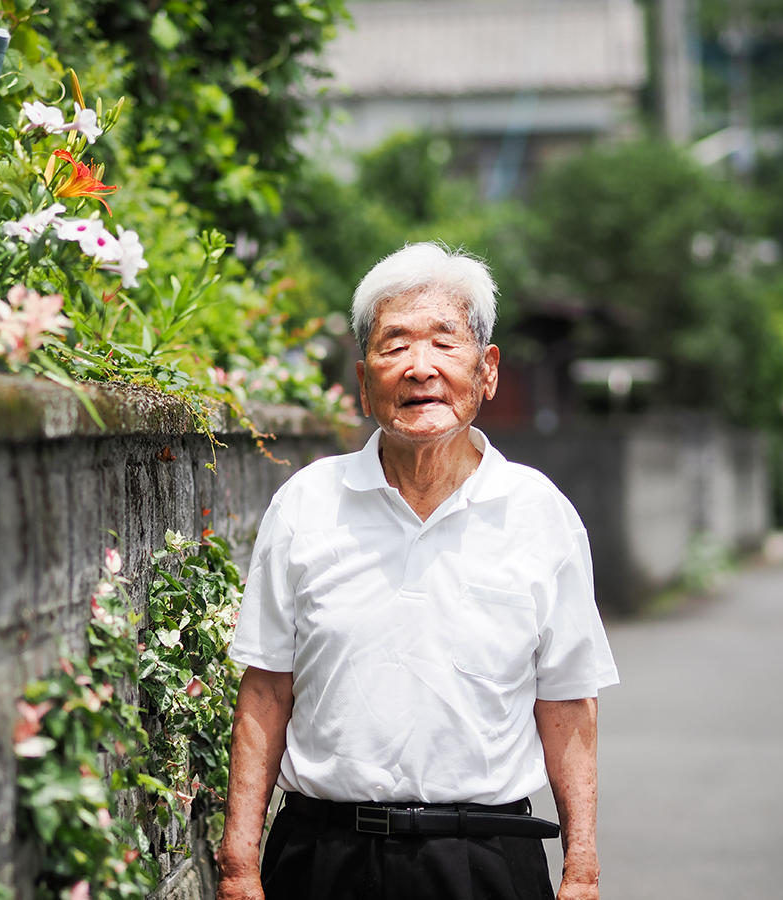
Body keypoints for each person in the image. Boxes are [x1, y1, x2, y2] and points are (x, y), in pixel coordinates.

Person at [217, 243, 619, 900]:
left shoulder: (540, 514)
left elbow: (568, 701)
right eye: (394, 344)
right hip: (321, 857)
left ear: (486, 370)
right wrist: (239, 862)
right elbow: (266, 688)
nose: (419, 368)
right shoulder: (307, 504)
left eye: (443, 343)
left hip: (482, 859)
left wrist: (582, 866)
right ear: (363, 378)